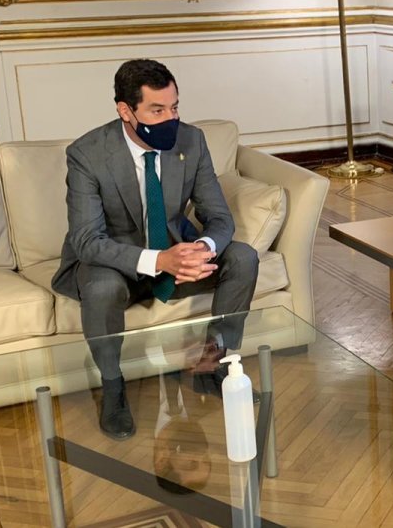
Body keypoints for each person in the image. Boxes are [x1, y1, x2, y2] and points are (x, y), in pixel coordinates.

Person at [52, 59, 259, 440]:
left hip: (173, 255)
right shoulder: (87, 153)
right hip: (115, 261)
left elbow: (220, 218)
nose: (170, 118)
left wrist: (198, 249)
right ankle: (112, 388)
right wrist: (160, 259)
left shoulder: (191, 141)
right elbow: (86, 240)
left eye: (175, 107)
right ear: (125, 111)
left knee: (243, 257)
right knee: (100, 288)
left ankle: (212, 364)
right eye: (157, 110)